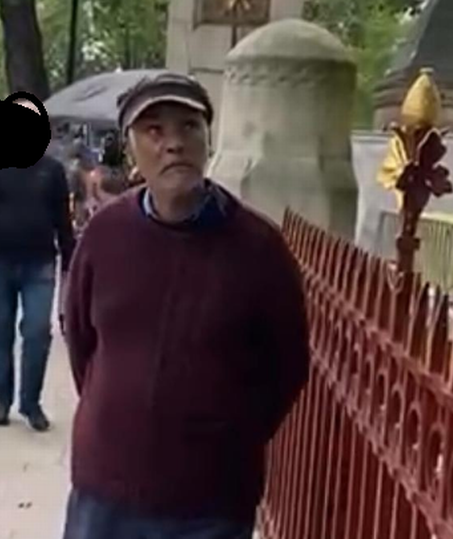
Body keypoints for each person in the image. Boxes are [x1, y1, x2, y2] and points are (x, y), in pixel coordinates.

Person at [62, 72, 311, 538]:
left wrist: (228, 436)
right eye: (154, 131)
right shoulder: (104, 235)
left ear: (207, 140)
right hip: (106, 491)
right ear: (130, 147)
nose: (173, 143)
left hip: (210, 501)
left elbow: (288, 365)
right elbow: (81, 342)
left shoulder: (258, 248)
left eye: (188, 128)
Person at [0, 97, 75, 431]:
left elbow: (63, 220)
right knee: (0, 333)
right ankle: (1, 399)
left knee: (38, 331)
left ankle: (30, 402)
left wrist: (72, 260)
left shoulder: (52, 171)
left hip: (40, 262)